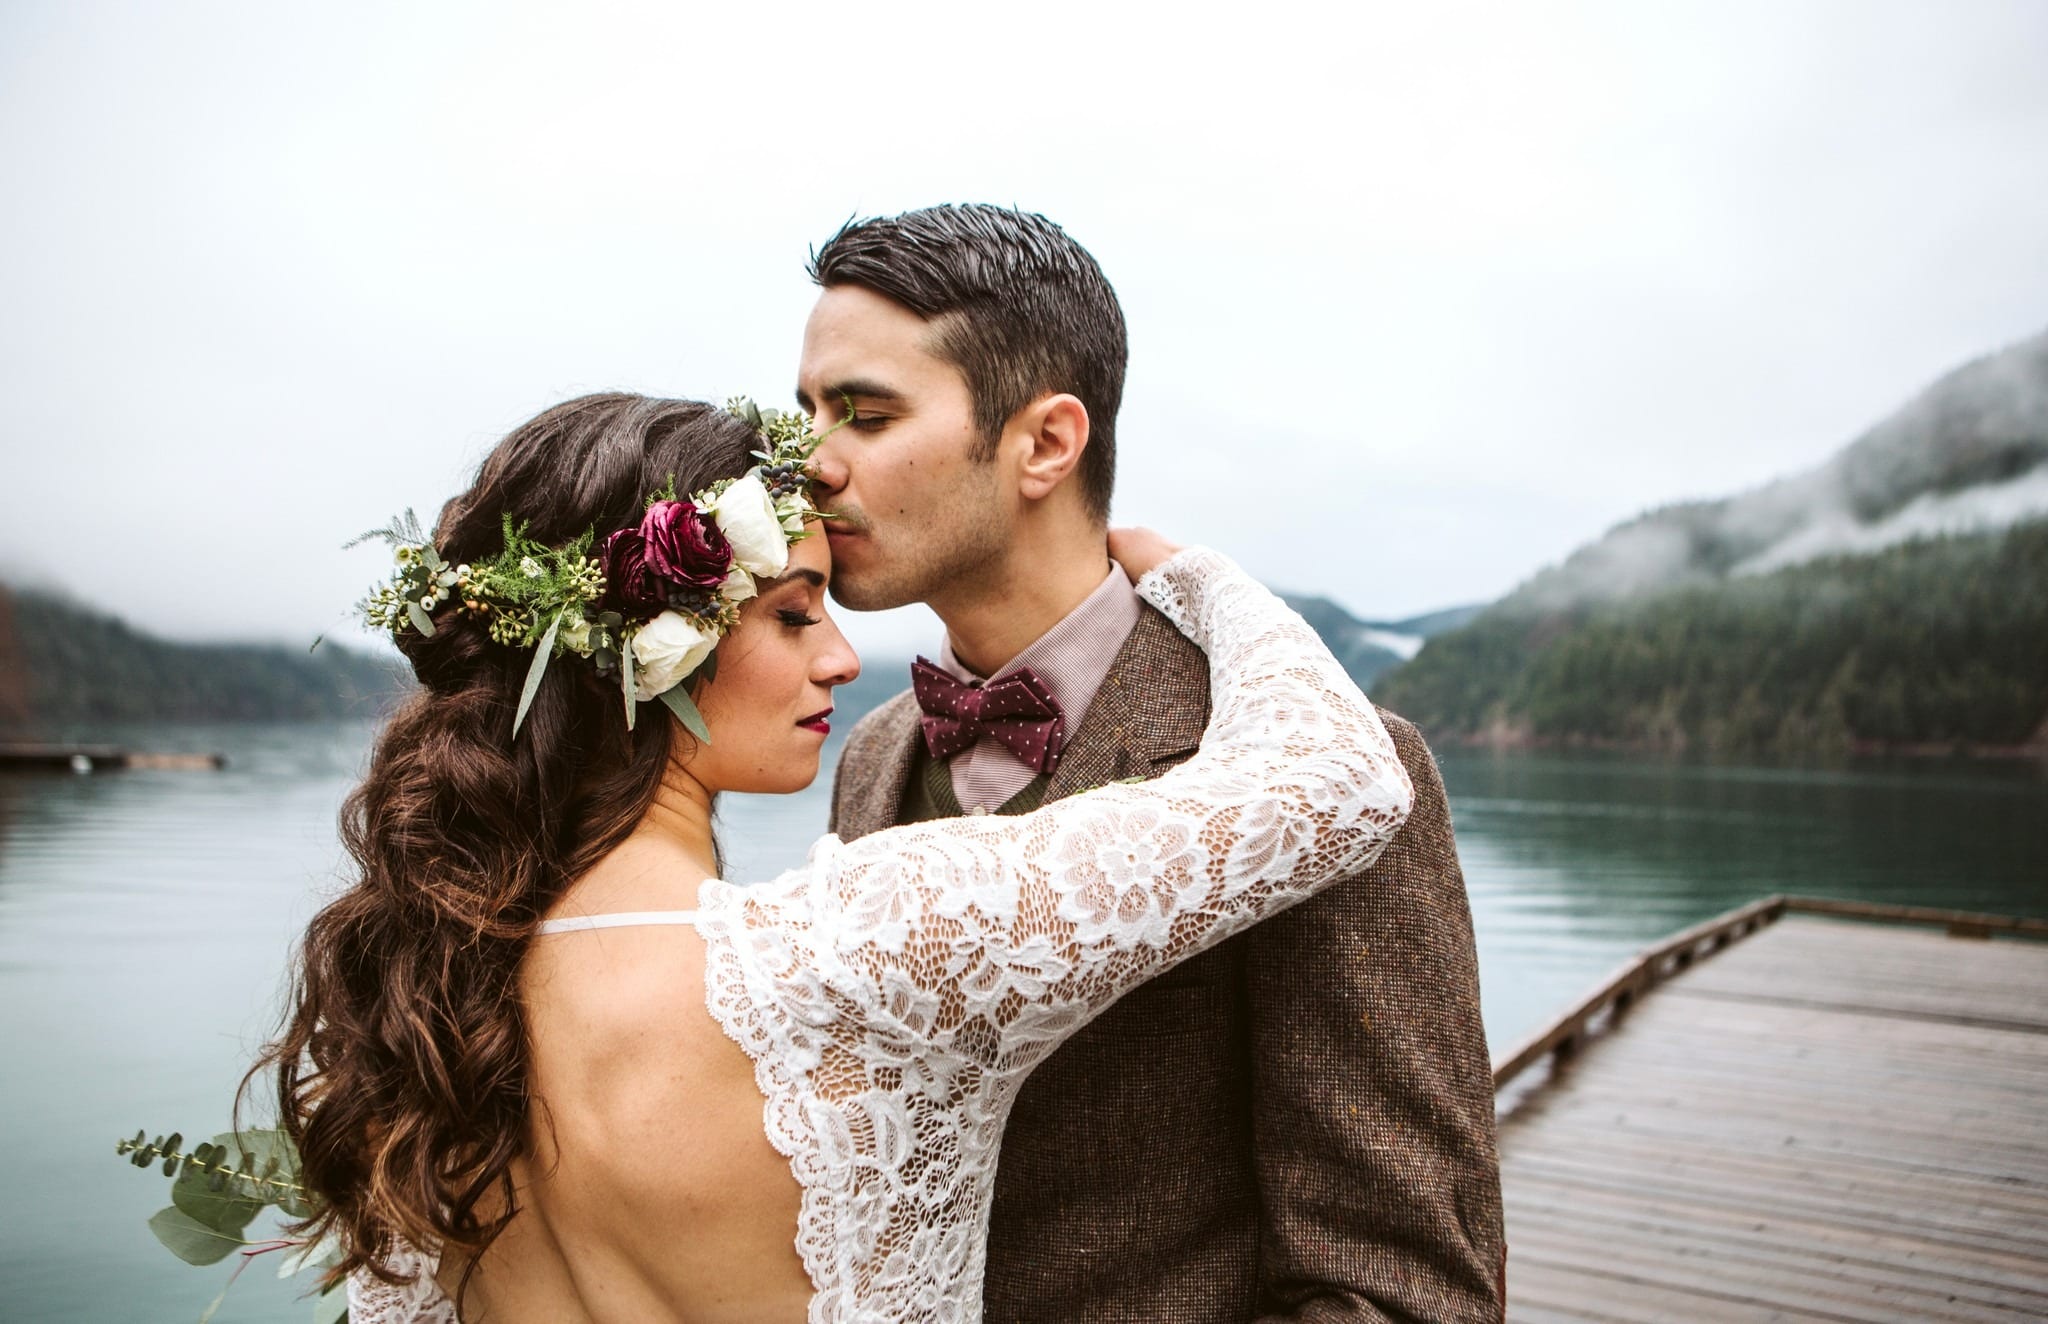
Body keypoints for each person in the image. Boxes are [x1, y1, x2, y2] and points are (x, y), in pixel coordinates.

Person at [260, 391, 1416, 1322]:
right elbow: (1341, 778)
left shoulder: (411, 1018)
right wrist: (1189, 577)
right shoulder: (855, 952)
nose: (839, 657)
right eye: (792, 612)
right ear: (648, 653)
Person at [806, 204, 1507, 1321]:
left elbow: (1395, 1286)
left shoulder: (1327, 778)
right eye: (805, 410)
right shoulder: (875, 751)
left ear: (1044, 442)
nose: (808, 461)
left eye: (865, 414)